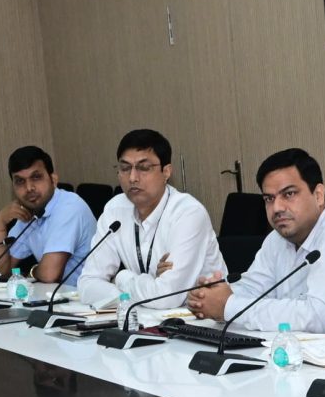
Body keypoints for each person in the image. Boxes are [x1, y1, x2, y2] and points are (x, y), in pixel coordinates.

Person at [183, 148, 325, 339]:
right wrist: (213, 296)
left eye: (289, 194)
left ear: (318, 195)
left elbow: (318, 317)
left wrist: (228, 306)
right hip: (315, 357)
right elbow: (254, 289)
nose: (277, 208)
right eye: (269, 199)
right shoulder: (278, 238)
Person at [81, 128, 224, 308]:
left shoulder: (188, 213)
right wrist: (145, 288)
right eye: (125, 168)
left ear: (166, 171)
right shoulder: (115, 210)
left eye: (144, 168)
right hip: (144, 315)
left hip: (199, 317)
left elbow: (167, 297)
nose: (132, 178)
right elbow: (87, 285)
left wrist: (121, 277)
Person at [0, 144, 96, 285]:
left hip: (84, 294)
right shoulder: (29, 212)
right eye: (20, 181)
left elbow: (50, 275)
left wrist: (32, 272)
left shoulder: (70, 207)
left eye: (36, 177)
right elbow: (1, 269)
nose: (29, 188)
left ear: (53, 180)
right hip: (56, 294)